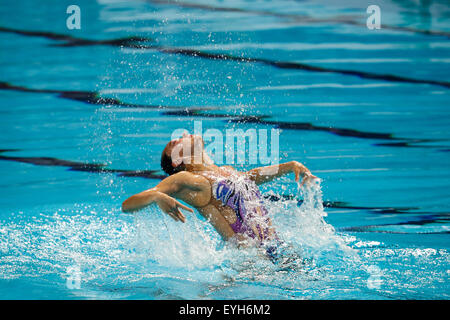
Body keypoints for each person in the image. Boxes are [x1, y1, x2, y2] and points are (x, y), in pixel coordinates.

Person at [122, 133, 318, 263]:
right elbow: (127, 205)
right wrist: (157, 196)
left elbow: (250, 177)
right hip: (251, 265)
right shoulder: (187, 179)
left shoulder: (224, 171)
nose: (182, 135)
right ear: (177, 160)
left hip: (277, 251)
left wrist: (290, 165)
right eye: (175, 142)